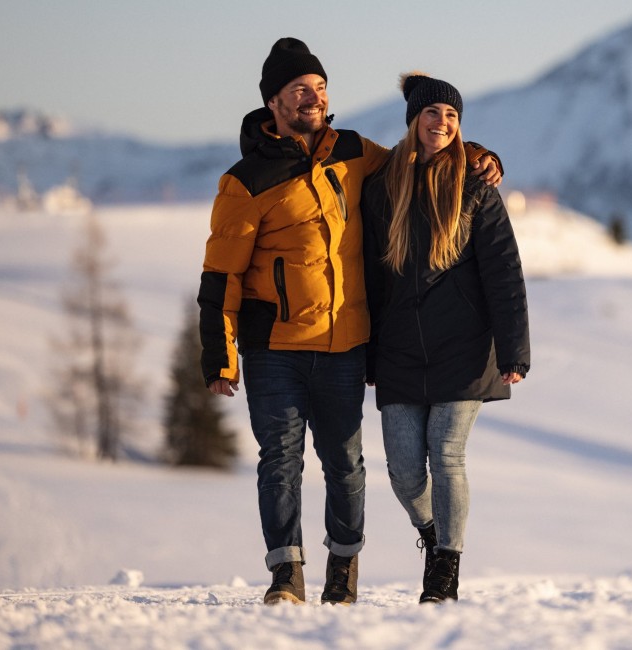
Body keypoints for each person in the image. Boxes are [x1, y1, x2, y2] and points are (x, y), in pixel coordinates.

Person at [197, 39, 503, 606]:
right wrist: (220, 354)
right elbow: (221, 275)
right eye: (298, 91)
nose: (312, 98)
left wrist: (480, 154)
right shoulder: (245, 181)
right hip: (274, 347)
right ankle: (286, 575)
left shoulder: (358, 152)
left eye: (318, 87)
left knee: (346, 462)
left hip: (344, 344)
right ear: (274, 103)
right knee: (280, 460)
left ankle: (343, 569)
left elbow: (426, 152)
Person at [361, 73, 530, 604]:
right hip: (399, 351)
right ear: (413, 120)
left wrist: (514, 349)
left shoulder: (476, 188)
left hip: (464, 348)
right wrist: (365, 351)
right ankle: (435, 537)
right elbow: (367, 273)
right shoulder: (380, 187)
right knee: (405, 469)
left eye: (452, 117)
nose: (442, 124)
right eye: (433, 114)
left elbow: (505, 270)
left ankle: (444, 574)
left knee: (447, 455)